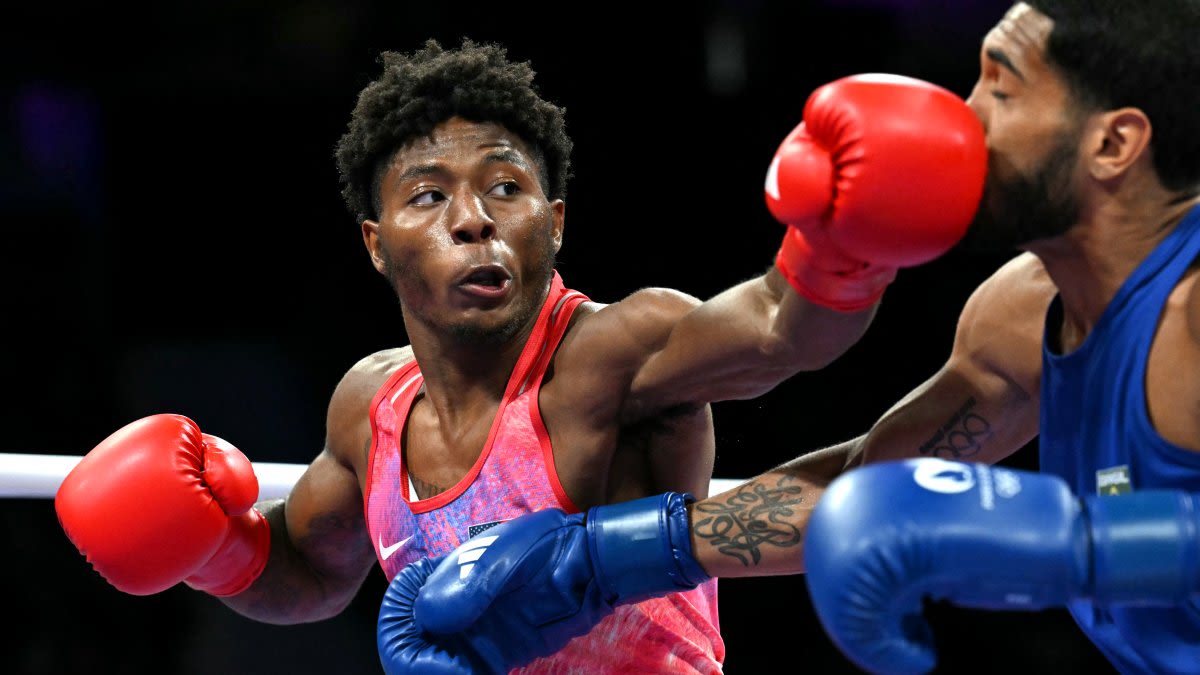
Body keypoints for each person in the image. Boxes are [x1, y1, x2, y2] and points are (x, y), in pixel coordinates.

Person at [52, 38, 987, 674]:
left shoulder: (609, 352)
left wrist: (839, 247)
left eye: (506, 186)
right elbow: (311, 577)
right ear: (377, 243)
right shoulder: (369, 404)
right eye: (428, 196)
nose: (473, 218)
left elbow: (784, 333)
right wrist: (214, 548)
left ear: (556, 222)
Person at [378, 1, 1200, 673]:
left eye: (1002, 91)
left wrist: (1082, 549)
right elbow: (866, 486)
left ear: (1113, 144)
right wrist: (597, 558)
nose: (964, 118)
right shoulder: (1019, 313)